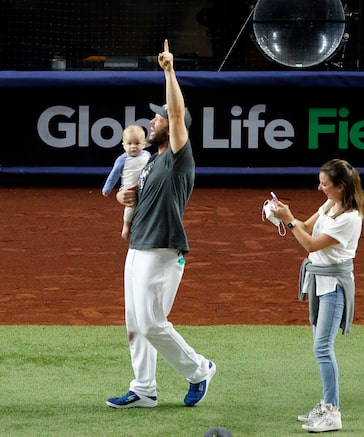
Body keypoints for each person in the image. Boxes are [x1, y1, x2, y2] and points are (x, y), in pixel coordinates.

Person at [106, 39, 216, 409]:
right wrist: (126, 200)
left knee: (153, 322)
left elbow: (176, 109)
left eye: (158, 117)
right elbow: (140, 196)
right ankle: (144, 388)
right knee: (136, 323)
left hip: (163, 250)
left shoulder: (179, 158)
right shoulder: (153, 160)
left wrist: (169, 70)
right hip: (138, 246)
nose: (151, 120)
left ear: (173, 126)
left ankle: (199, 369)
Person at [271, 159, 364, 433]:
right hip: (319, 280)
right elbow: (306, 227)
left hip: (334, 285)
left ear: (341, 186)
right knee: (320, 345)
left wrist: (288, 221)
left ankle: (332, 412)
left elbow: (310, 243)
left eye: (325, 184)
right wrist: (282, 217)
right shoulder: (330, 205)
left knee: (322, 347)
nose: (320, 187)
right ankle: (325, 403)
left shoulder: (349, 218)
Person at [102, 124, 151, 240]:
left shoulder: (147, 156)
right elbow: (113, 175)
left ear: (144, 144)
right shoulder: (122, 159)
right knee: (131, 206)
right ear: (124, 145)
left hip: (145, 187)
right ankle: (126, 225)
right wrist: (107, 189)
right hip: (129, 189)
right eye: (129, 144)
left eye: (137, 143)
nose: (133, 147)